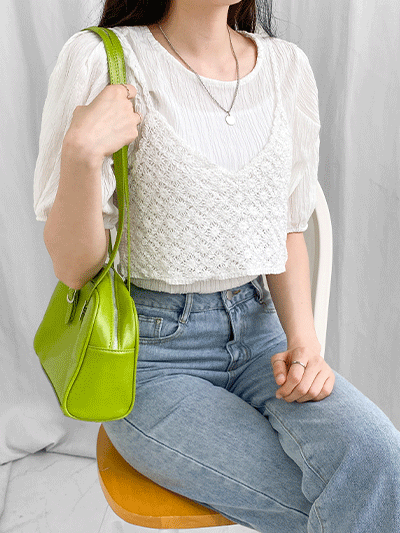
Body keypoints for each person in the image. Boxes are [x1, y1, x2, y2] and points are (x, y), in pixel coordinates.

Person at [33, 1, 400, 531]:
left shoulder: (286, 67)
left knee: (380, 463)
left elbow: (287, 227)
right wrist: (81, 153)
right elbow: (74, 270)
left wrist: (305, 343)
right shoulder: (103, 59)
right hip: (150, 359)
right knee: (341, 503)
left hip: (264, 337)